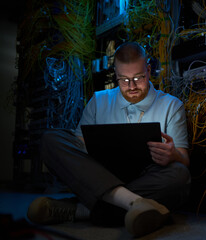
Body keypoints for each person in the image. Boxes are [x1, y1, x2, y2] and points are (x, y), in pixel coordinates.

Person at [27, 42, 191, 237]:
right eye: (123, 80)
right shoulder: (99, 100)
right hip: (99, 173)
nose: (131, 86)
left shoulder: (172, 105)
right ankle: (135, 204)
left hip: (146, 177)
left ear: (148, 70)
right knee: (50, 140)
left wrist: (173, 155)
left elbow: (184, 159)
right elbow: (78, 147)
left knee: (180, 174)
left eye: (138, 78)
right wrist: (85, 148)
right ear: (115, 75)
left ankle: (81, 210)